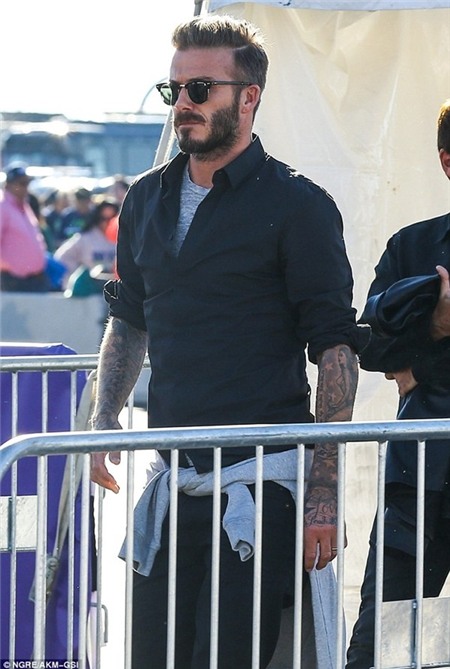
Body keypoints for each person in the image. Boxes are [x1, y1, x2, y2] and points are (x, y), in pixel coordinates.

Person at [90, 15, 363, 669]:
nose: (183, 104)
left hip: (260, 483)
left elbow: (335, 350)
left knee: (231, 658)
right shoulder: (145, 199)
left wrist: (323, 493)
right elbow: (128, 318)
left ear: (249, 97)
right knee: (152, 657)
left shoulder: (299, 205)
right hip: (172, 479)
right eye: (174, 89)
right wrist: (103, 418)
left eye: (200, 89)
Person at [346, 99, 450, 668]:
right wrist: (435, 326)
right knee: (385, 645)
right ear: (447, 162)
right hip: (419, 484)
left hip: (422, 458)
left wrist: (423, 363)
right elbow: (371, 347)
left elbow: (401, 359)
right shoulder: (413, 246)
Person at [0, 164, 51, 292]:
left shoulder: (23, 205)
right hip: (13, 279)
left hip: (34, 278)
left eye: (27, 183)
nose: (26, 188)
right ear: (8, 185)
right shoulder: (3, 207)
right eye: (21, 184)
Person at [54, 198, 119, 291]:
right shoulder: (85, 238)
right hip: (89, 290)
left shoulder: (122, 238)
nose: (107, 223)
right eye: (103, 219)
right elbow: (60, 257)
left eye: (111, 219)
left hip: (113, 289)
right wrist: (77, 272)